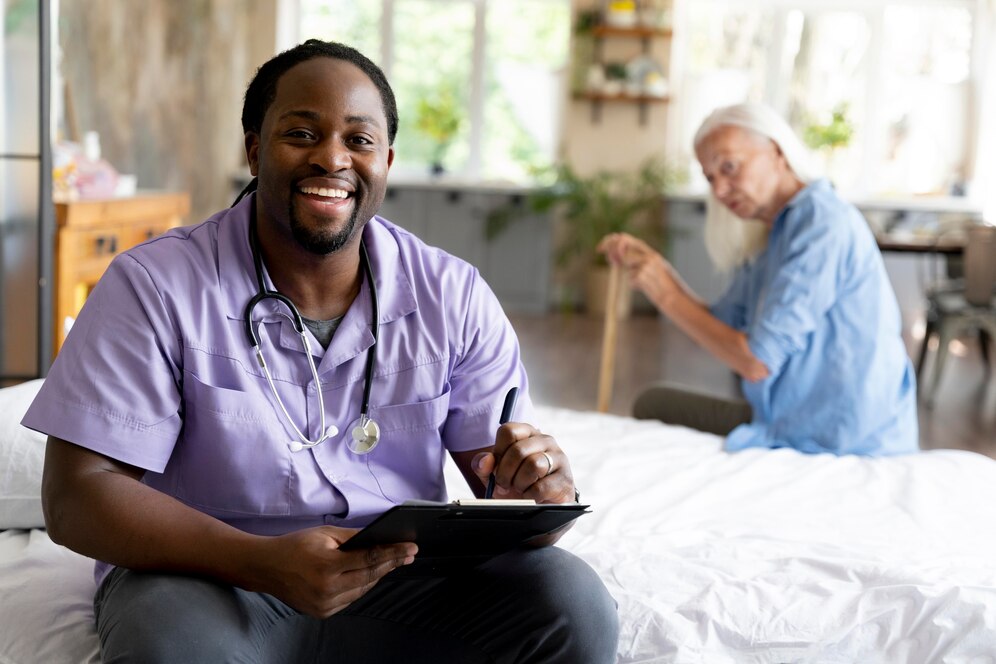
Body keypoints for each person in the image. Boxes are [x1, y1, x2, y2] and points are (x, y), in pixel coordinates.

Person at [24, 40, 618, 663]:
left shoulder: (453, 295)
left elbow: (495, 482)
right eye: (302, 133)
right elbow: (76, 498)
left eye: (359, 141)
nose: (332, 158)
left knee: (571, 604)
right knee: (170, 649)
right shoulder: (154, 285)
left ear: (386, 161)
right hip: (207, 577)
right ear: (254, 151)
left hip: (402, 578)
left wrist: (538, 490)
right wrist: (256, 561)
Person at [598, 102, 918, 456]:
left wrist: (667, 294)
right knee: (654, 402)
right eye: (710, 177)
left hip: (841, 437)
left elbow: (755, 362)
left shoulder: (823, 224)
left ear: (777, 152)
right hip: (789, 418)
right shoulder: (773, 234)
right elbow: (723, 325)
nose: (719, 191)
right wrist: (659, 273)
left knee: (655, 407)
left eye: (729, 167)